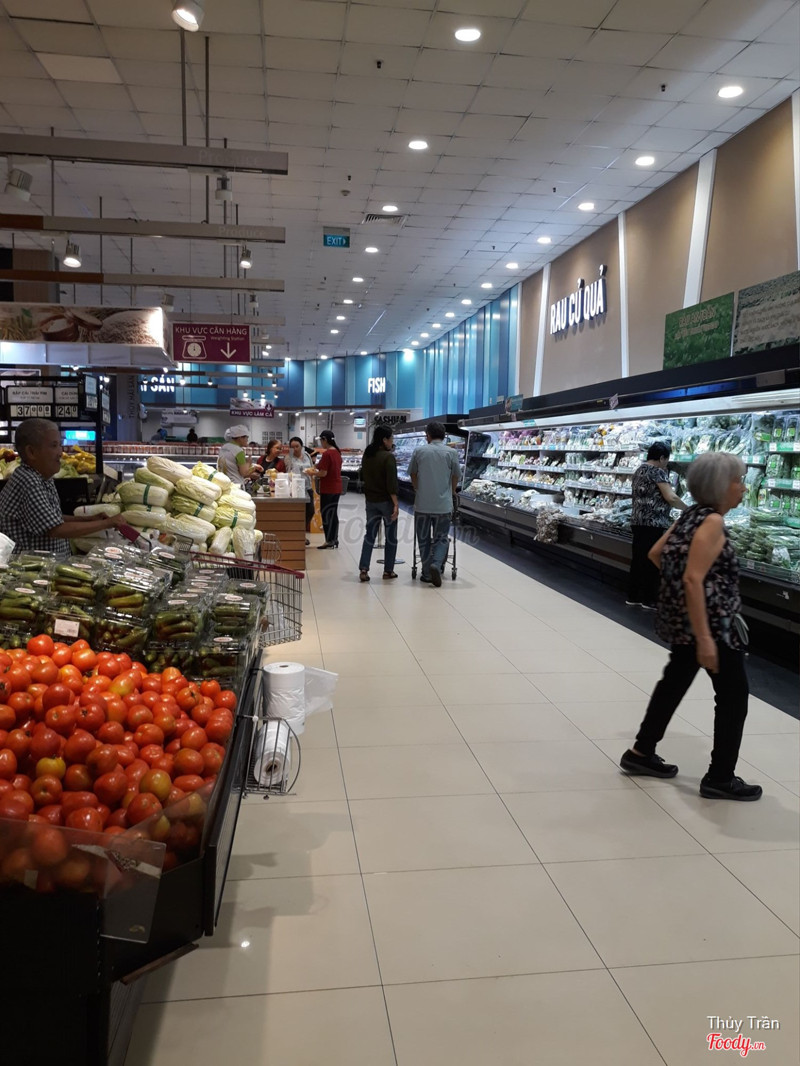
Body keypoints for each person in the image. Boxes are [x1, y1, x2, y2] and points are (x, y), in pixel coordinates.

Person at [620, 452, 762, 802]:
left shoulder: (690, 515)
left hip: (686, 621)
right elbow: (693, 578)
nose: (743, 488)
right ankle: (720, 777)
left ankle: (641, 752)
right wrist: (705, 638)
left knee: (672, 684)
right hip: (713, 626)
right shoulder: (712, 521)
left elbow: (657, 553)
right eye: (739, 481)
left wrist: (683, 599)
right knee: (733, 698)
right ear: (721, 486)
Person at [0, 419, 124, 560]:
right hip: (30, 569)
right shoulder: (29, 482)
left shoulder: (42, 478)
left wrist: (88, 519)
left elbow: (53, 518)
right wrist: (107, 523)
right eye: (54, 445)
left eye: (60, 445)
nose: (60, 452)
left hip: (45, 566)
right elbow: (55, 529)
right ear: (31, 452)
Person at [627, 441, 687, 609]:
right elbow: (671, 497)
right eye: (666, 460)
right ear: (661, 458)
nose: (666, 463)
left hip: (637, 521)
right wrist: (688, 509)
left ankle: (633, 596)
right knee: (651, 562)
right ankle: (649, 599)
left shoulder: (639, 470)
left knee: (638, 559)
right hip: (653, 523)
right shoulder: (657, 472)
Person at [409, 421, 460, 587]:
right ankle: (436, 565)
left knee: (423, 538)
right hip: (443, 505)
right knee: (441, 538)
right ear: (444, 436)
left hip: (422, 504)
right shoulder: (451, 453)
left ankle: (426, 573)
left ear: (428, 435)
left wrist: (418, 488)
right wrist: (451, 492)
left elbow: (413, 473)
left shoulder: (419, 451)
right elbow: (456, 476)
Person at [357, 425, 399, 582]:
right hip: (386, 502)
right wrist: (396, 504)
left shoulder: (367, 454)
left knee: (370, 535)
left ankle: (364, 568)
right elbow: (391, 484)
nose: (392, 442)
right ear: (384, 440)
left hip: (371, 501)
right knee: (391, 537)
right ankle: (388, 570)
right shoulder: (388, 457)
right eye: (391, 439)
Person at [308, 429, 342, 549]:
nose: (321, 443)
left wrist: (311, 473)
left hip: (328, 488)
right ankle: (334, 538)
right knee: (333, 513)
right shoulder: (337, 452)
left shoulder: (327, 454)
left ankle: (329, 540)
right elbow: (325, 466)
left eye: (321, 440)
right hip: (337, 487)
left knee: (326, 513)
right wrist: (316, 466)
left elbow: (323, 473)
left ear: (325, 440)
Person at [283, 437, 314, 544]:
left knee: (310, 511)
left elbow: (312, 467)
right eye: (292, 447)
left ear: (302, 446)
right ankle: (299, 536)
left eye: (297, 446)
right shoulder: (289, 457)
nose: (295, 449)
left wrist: (312, 473)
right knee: (298, 513)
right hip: (295, 488)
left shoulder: (307, 455)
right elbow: (288, 472)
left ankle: (302, 532)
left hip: (308, 487)